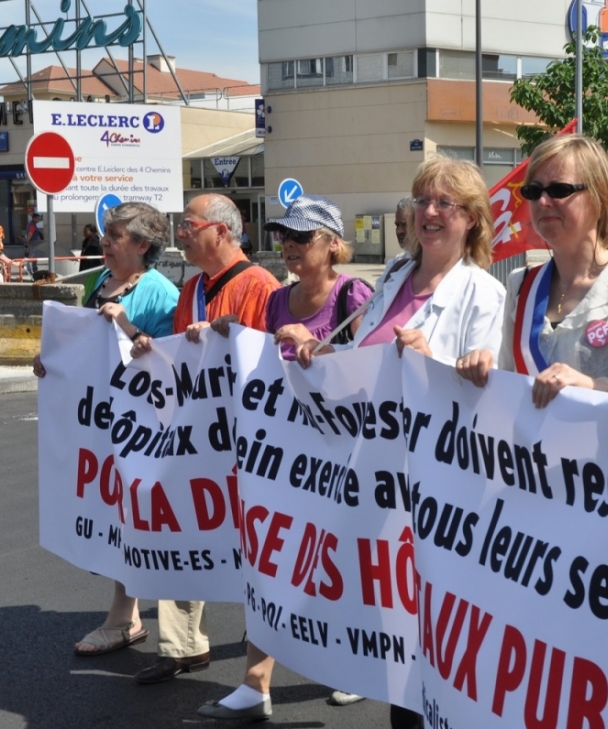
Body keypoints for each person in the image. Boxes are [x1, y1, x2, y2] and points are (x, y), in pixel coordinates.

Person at [297, 157, 505, 728]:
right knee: (391, 625)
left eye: (445, 204)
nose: (429, 212)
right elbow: (364, 361)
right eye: (422, 200)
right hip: (372, 473)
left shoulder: (483, 293)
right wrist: (320, 353)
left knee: (431, 633)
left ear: (471, 219)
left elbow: (478, 396)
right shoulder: (391, 276)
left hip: (430, 486)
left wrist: (430, 362)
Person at [198, 195, 372, 721]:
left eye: (302, 237)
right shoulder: (278, 299)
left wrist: (318, 350)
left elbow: (373, 372)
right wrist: (223, 336)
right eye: (283, 236)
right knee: (271, 559)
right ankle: (256, 683)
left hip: (345, 456)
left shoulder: (354, 295)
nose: (289, 246)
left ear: (333, 245)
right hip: (284, 457)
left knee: (343, 566)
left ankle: (355, 667)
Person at [129, 193, 281, 685]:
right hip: (193, 435)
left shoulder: (259, 285)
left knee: (254, 547)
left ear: (220, 230)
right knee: (180, 530)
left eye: (189, 225)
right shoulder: (191, 287)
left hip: (243, 440)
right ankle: (180, 645)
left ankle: (261, 664)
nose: (181, 233)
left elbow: (268, 359)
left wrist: (225, 332)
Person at [30, 203, 180, 658]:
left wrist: (127, 324)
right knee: (115, 512)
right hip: (104, 424)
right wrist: (52, 362)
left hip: (142, 426)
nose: (105, 243)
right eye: (106, 235)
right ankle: (130, 614)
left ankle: (124, 617)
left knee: (137, 514)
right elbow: (89, 348)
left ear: (143, 245)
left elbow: (169, 359)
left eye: (115, 236)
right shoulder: (103, 282)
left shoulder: (159, 292)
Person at [455, 134, 608, 409]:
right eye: (533, 191)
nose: (542, 201)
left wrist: (591, 388)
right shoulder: (521, 285)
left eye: (559, 190)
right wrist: (480, 372)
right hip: (534, 452)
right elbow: (511, 392)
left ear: (598, 197)